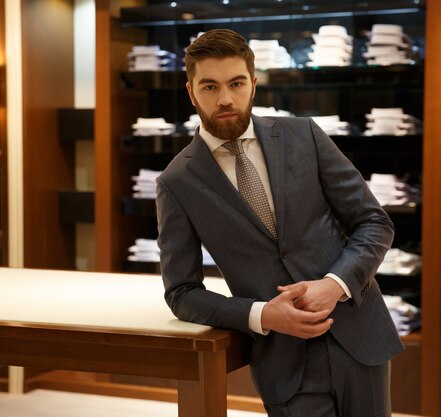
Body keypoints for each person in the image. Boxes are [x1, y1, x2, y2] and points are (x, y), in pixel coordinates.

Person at [156, 29, 403, 417]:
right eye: (209, 87)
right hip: (284, 363)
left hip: (359, 335)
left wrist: (334, 284)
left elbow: (373, 222)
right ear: (191, 92)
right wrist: (260, 314)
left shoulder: (304, 134)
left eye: (236, 83)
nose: (225, 98)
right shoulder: (176, 182)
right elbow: (182, 292)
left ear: (253, 85)